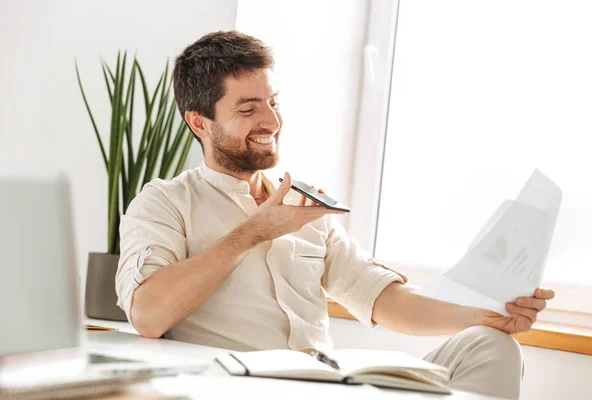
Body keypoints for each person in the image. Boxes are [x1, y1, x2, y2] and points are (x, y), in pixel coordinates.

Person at [115, 30, 554, 399]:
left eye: (273, 102)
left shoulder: (307, 208)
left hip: (331, 387)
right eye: (248, 109)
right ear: (199, 122)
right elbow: (148, 315)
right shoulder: (164, 204)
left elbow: (383, 300)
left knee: (491, 346)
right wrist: (252, 232)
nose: (271, 120)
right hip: (242, 389)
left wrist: (485, 314)